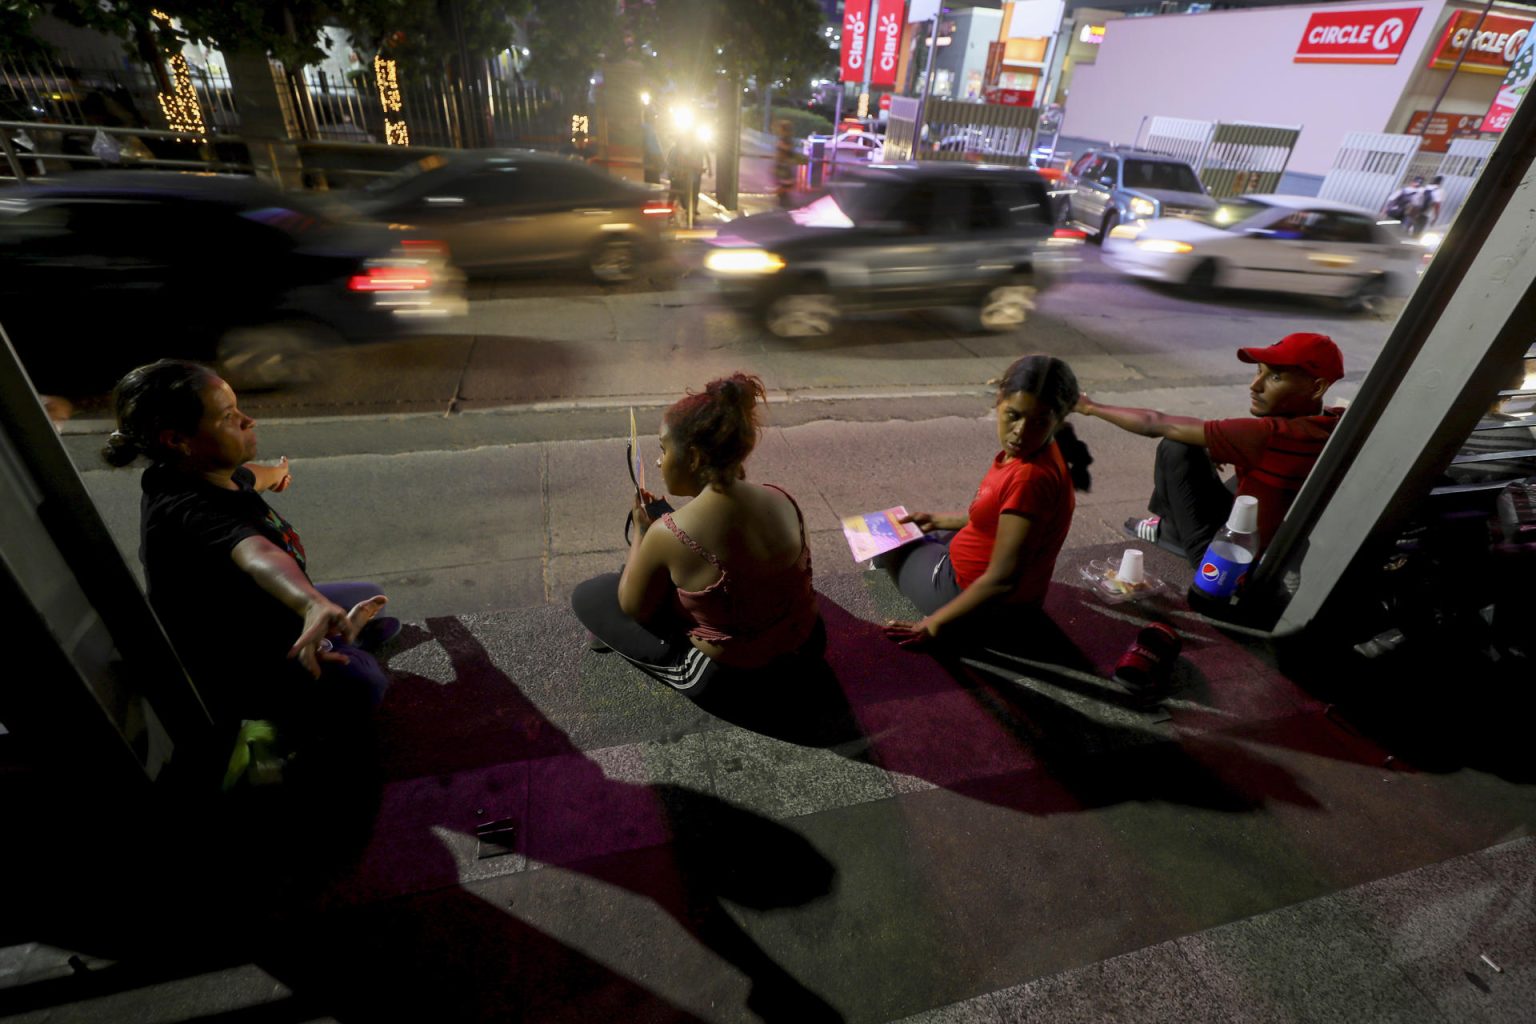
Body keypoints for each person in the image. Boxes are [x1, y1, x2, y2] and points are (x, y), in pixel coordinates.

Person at [102, 360, 398, 758]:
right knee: (365, 684)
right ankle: (330, 651)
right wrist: (310, 603)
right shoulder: (188, 510)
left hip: (261, 611)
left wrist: (277, 473)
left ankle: (341, 632)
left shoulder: (197, 471)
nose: (248, 420)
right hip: (240, 660)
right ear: (177, 439)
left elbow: (248, 476)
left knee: (367, 592)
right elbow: (257, 554)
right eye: (228, 416)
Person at [571, 373, 821, 694]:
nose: (659, 462)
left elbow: (634, 608)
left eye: (663, 450)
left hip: (734, 677)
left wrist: (642, 537)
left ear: (694, 457)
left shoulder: (669, 533)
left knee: (590, 595)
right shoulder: (781, 497)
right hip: (807, 642)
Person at [1075, 332, 1345, 567]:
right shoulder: (1332, 422)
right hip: (1274, 536)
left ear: (1317, 387)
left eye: (1274, 377)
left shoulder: (1271, 435)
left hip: (1234, 559)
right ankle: (1173, 528)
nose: (1255, 385)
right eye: (1258, 371)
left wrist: (1089, 407)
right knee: (1209, 448)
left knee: (1176, 445)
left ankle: (1177, 537)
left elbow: (1155, 423)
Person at [881, 355, 1094, 650]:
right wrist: (939, 519)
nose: (1021, 432)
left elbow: (1002, 579)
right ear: (999, 401)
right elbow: (997, 517)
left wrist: (934, 625)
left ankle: (942, 618)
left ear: (1057, 421)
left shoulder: (1029, 479)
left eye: (1039, 421)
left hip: (977, 602)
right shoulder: (1039, 453)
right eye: (1014, 415)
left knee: (883, 549)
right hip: (1010, 598)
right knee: (924, 532)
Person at [667, 134, 709, 227]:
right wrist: (698, 167)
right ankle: (689, 215)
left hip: (676, 177)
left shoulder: (675, 149)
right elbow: (686, 162)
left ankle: (674, 215)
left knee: (674, 196)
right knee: (683, 197)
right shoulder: (678, 150)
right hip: (679, 177)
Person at [773, 119, 805, 209]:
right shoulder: (784, 139)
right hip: (782, 169)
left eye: (780, 128)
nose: (779, 130)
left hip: (784, 169)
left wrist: (782, 147)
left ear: (784, 129)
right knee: (783, 193)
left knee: (783, 192)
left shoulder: (786, 140)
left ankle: (786, 210)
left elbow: (788, 152)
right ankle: (785, 209)